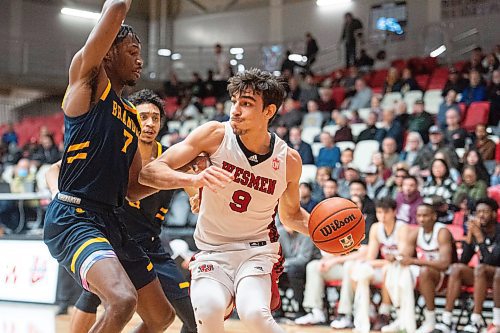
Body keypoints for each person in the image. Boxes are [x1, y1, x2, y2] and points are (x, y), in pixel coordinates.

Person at [139, 68, 311, 333]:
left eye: (246, 104)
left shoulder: (288, 160)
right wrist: (192, 181)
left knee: (254, 313)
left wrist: (327, 235)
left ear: (269, 111)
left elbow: (291, 215)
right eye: (234, 102)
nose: (235, 110)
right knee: (208, 311)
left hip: (257, 250)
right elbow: (150, 172)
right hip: (213, 250)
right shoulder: (215, 135)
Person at [42, 3, 176, 331]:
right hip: (74, 217)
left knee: (162, 317)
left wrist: (187, 178)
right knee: (122, 300)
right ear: (109, 54)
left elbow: (133, 187)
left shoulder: (131, 115)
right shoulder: (88, 84)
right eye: (132, 51)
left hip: (112, 220)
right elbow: (115, 9)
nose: (140, 60)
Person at [46, 90, 197, 333]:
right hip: (110, 236)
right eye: (144, 116)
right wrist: (57, 194)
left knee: (180, 316)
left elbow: (193, 190)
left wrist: (200, 195)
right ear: (131, 118)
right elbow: (54, 169)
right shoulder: (114, 148)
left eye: (155, 118)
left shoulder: (169, 156)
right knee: (94, 297)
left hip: (150, 244)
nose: (149, 123)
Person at [382, 204, 456, 333]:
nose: (421, 219)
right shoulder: (416, 232)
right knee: (395, 269)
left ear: (434, 216)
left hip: (446, 277)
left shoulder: (442, 232)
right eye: (419, 216)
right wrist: (396, 257)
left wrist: (415, 261)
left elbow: (445, 264)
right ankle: (402, 317)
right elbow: (405, 256)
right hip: (426, 276)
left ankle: (430, 320)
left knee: (424, 271)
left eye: (425, 215)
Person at [434, 199, 500, 333]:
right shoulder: (476, 231)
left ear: (494, 214)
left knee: (481, 268)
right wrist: (469, 237)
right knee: (457, 269)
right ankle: (446, 320)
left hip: (498, 276)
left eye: (485, 212)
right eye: (478, 212)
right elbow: (463, 261)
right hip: (483, 277)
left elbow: (492, 261)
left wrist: (479, 238)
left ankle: (476, 320)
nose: (481, 215)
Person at [351, 198, 409, 332]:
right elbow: (370, 257)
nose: (382, 216)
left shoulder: (402, 228)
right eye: (379, 212)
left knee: (388, 270)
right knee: (357, 270)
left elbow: (401, 257)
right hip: (384, 265)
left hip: (401, 269)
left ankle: (385, 312)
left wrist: (385, 262)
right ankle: (369, 310)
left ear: (394, 212)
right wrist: (373, 262)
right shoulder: (376, 227)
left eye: (386, 212)